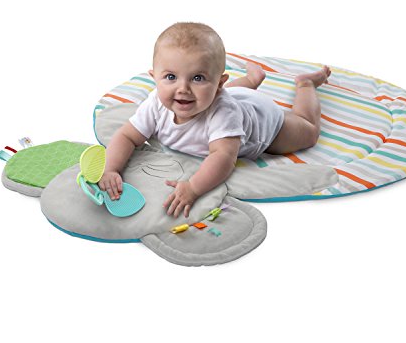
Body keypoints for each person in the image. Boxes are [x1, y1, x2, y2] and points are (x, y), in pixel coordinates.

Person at [99, 22, 331, 218]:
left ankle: (305, 85)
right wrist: (111, 169)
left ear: (220, 82)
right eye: (170, 77)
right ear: (154, 78)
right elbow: (127, 135)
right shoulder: (155, 103)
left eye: (198, 78)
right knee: (207, 97)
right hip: (228, 97)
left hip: (264, 124)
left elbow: (223, 157)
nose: (182, 88)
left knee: (309, 132)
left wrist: (193, 188)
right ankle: (252, 79)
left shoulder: (223, 113)